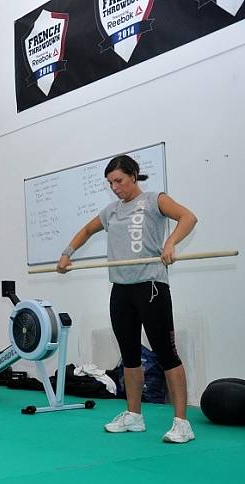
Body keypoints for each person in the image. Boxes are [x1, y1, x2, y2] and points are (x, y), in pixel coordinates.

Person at [56, 154, 198, 444]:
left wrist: (170, 242)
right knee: (130, 355)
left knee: (166, 353)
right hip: (121, 289)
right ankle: (133, 416)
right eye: (110, 183)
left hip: (151, 286)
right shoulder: (111, 212)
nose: (115, 187)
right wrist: (67, 252)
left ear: (134, 175)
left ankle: (182, 422)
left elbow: (188, 217)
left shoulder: (154, 199)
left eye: (119, 180)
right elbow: (86, 230)